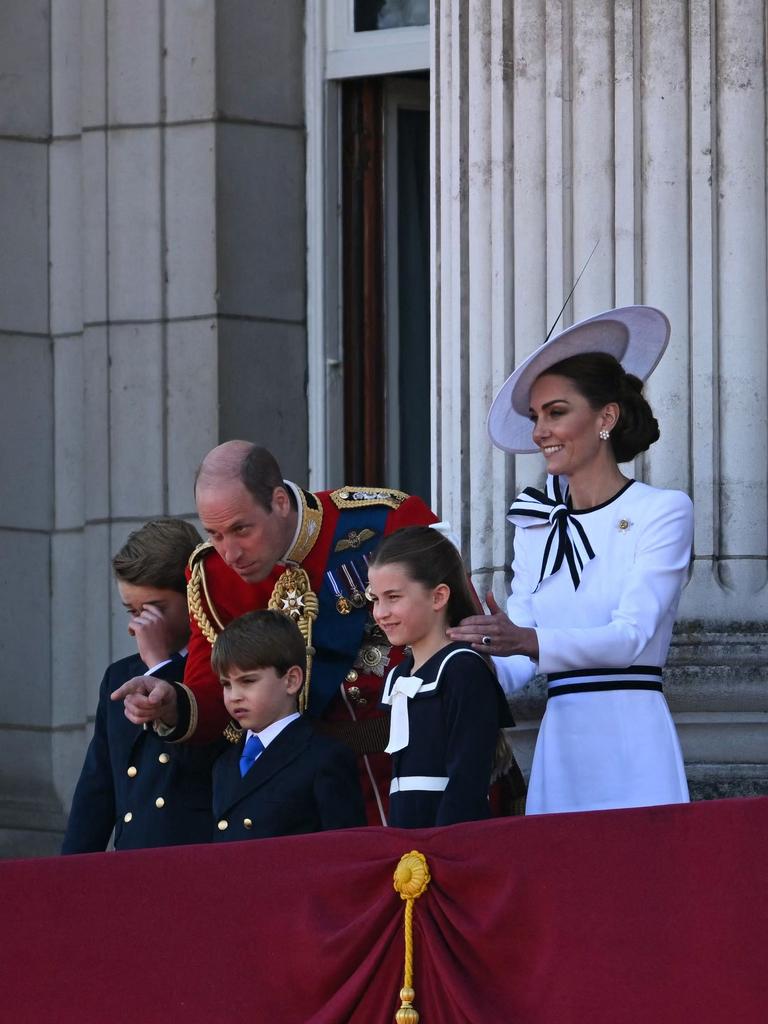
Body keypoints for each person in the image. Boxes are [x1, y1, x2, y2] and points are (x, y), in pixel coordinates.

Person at [448, 305, 693, 815]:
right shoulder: (535, 522)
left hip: (633, 739)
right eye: (536, 416)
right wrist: (457, 639)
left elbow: (633, 637)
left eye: (556, 412)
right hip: (562, 743)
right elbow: (517, 664)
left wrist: (526, 640)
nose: (540, 431)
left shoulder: (662, 511)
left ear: (606, 417)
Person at [111, 442, 438, 825]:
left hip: (412, 767)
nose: (229, 553)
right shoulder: (212, 577)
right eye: (214, 534)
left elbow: (453, 644)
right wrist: (172, 704)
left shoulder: (386, 522)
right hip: (297, 795)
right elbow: (213, 694)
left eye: (241, 529)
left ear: (280, 501)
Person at [62, 518, 215, 853]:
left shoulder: (222, 667)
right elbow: (96, 788)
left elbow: (200, 755)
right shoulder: (119, 677)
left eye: (155, 610)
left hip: (194, 858)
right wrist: (67, 876)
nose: (139, 626)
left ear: (192, 597)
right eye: (133, 611)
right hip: (132, 861)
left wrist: (160, 665)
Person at [368, 526, 514, 828]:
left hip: (450, 846)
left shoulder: (463, 670)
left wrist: (440, 852)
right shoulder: (398, 675)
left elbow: (467, 782)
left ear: (438, 597)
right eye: (376, 599)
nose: (380, 612)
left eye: (393, 597)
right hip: (408, 847)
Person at [210, 610, 366, 841]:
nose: (234, 696)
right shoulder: (224, 764)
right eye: (226, 684)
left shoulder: (324, 757)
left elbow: (343, 851)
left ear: (291, 680)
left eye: (248, 681)